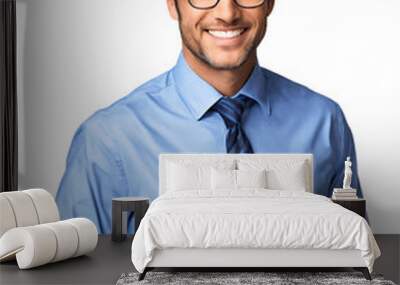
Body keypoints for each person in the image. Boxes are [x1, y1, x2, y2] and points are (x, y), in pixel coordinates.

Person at [56, 0, 363, 234]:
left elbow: (351, 254)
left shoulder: (325, 122)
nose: (228, 13)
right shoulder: (107, 139)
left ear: (270, 2)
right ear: (172, 4)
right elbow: (80, 269)